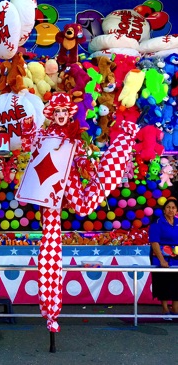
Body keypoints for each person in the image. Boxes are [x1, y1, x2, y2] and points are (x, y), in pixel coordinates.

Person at [17, 92, 138, 351]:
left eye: (64, 112)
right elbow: (28, 144)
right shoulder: (44, 135)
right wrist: (27, 123)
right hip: (48, 190)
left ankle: (119, 149)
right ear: (52, 114)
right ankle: (50, 311)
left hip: (68, 183)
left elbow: (81, 160)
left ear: (69, 113)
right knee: (50, 239)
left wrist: (86, 165)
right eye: (57, 112)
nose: (61, 116)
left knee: (83, 206)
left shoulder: (76, 138)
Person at [149, 197, 178, 320]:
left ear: (176, 210)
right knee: (163, 282)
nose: (171, 210)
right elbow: (154, 242)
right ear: (164, 210)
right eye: (168, 207)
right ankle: (165, 308)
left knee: (177, 283)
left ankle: (175, 309)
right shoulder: (157, 223)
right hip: (160, 256)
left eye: (173, 208)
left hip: (176, 257)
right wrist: (162, 260)